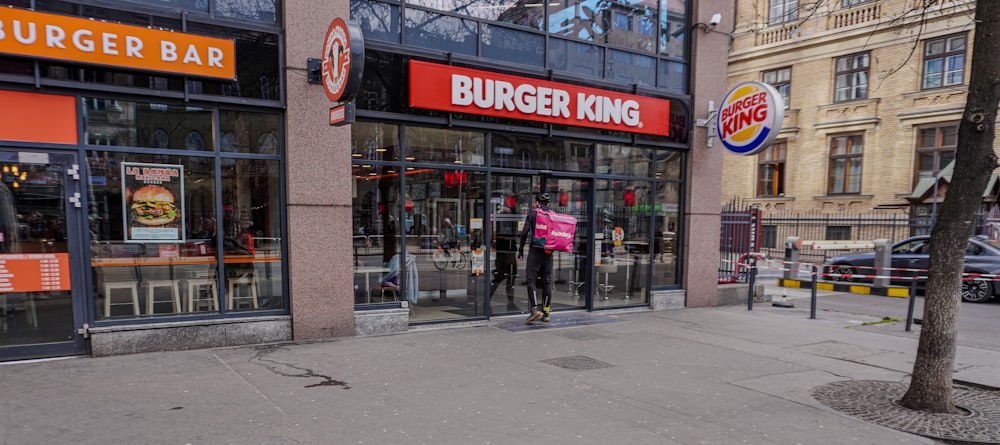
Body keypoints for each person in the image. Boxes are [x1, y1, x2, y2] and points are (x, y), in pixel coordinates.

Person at [518, 192, 553, 323]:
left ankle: (534, 309)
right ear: (548, 203)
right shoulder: (553, 215)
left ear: (537, 202)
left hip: (535, 251)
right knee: (547, 281)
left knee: (531, 279)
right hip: (548, 253)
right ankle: (546, 312)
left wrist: (520, 249)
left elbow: (525, 232)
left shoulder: (533, 214)